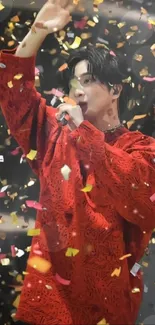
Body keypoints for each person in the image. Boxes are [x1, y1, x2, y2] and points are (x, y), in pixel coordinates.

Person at [0, 0, 155, 324]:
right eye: (74, 82)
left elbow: (141, 199)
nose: (78, 90)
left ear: (115, 90)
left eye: (87, 81)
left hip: (106, 309)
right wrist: (37, 31)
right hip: (47, 307)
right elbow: (14, 92)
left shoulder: (141, 148)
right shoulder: (54, 132)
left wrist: (84, 134)